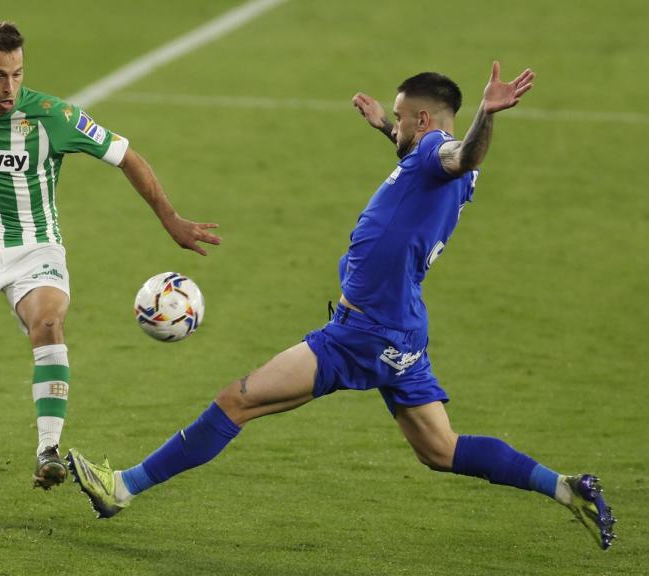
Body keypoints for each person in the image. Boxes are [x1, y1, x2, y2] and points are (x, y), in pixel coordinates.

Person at [67, 62, 617, 550]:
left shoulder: (439, 153)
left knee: (237, 401)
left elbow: (459, 149)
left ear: (425, 122)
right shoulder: (441, 169)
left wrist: (487, 115)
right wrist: (385, 127)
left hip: (361, 333)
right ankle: (565, 487)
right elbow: (439, 159)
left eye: (401, 116)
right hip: (402, 330)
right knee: (441, 450)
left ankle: (123, 488)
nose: (395, 124)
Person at [0, 21, 220, 510]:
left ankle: (48, 448)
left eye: (18, 74)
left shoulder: (54, 116)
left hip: (36, 247)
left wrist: (170, 218)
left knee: (48, 321)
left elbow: (126, 155)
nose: (10, 88)